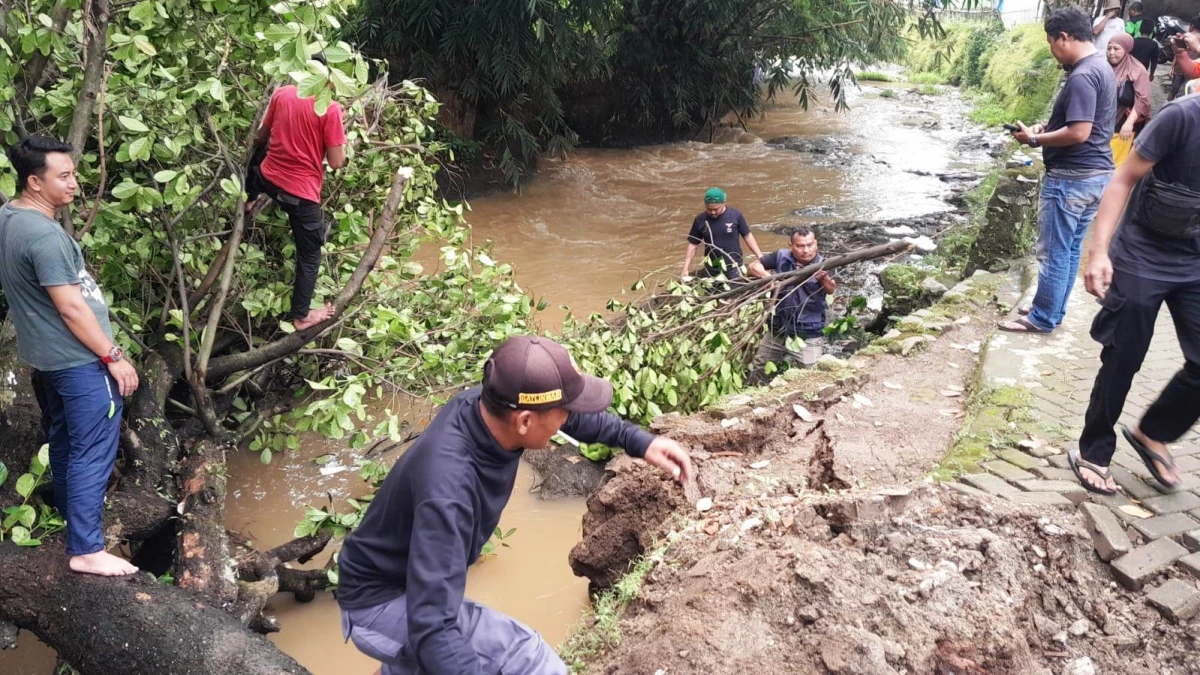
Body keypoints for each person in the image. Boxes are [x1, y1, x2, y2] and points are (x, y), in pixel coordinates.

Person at [335, 335, 694, 675]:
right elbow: (433, 624)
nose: (567, 420)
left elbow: (569, 416)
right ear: (524, 421)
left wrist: (638, 441)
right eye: (562, 413)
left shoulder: (481, 406)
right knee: (532, 660)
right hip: (380, 603)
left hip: (402, 577)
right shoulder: (450, 490)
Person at [0, 137, 139, 576]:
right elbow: (71, 306)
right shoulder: (42, 235)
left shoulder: (11, 216)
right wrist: (113, 356)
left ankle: (69, 520)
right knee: (91, 450)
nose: (75, 183)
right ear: (35, 182)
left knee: (63, 443)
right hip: (79, 361)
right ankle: (86, 549)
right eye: (64, 176)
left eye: (73, 173)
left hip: (46, 359)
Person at [1070, 94, 1200, 495]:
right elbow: (1124, 177)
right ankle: (1094, 450)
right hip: (1143, 251)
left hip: (1194, 259)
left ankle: (1152, 433)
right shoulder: (1181, 118)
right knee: (1124, 355)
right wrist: (1099, 251)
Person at [1002, 7, 1116, 335]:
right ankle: (1051, 306)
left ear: (1064, 37)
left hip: (1071, 178)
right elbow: (1081, 125)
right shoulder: (1100, 67)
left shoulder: (1081, 75)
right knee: (1069, 247)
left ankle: (1041, 318)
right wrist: (1048, 127)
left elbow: (1079, 132)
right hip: (1096, 175)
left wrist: (1035, 138)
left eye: (1051, 41)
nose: (1052, 48)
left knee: (1053, 250)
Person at [246, 58, 347, 331]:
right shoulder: (330, 108)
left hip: (267, 180)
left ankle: (249, 198)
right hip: (299, 195)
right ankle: (301, 316)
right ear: (328, 80)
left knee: (258, 161)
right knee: (311, 253)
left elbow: (261, 137)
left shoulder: (282, 94)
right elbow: (337, 162)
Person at [746, 227, 836, 384]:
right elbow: (753, 267)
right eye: (800, 246)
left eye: (809, 245)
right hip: (778, 328)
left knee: (811, 375)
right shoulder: (780, 256)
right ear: (791, 245)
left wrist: (823, 278)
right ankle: (755, 399)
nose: (806, 250)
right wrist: (769, 278)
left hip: (808, 330)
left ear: (816, 244)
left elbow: (831, 289)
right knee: (759, 368)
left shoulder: (824, 263)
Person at [681, 187, 764, 280]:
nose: (712, 212)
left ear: (724, 203)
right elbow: (693, 244)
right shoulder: (700, 220)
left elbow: (747, 236)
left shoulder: (735, 215)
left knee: (733, 289)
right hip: (711, 268)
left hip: (734, 266)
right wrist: (685, 268)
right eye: (709, 209)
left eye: (716, 209)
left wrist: (760, 256)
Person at [1107, 33, 1153, 156]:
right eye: (1109, 48)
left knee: (1115, 163)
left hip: (1122, 124)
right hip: (1101, 123)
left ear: (1127, 49)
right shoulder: (1103, 66)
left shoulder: (1137, 70)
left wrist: (1129, 123)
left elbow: (1143, 100)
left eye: (1116, 49)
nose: (1111, 53)